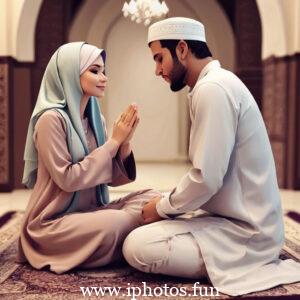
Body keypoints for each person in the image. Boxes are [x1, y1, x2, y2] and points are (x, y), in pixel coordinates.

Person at [122, 17, 300, 296]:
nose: (157, 70)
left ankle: (243, 263)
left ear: (182, 49)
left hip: (248, 234)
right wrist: (166, 204)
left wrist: (161, 208)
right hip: (226, 219)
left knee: (138, 247)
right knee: (148, 206)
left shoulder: (213, 89)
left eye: (159, 59)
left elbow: (206, 178)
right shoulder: (212, 85)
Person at [17, 42, 160, 274]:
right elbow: (68, 179)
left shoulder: (96, 120)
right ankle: (128, 237)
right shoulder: (50, 120)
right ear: (70, 73)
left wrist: (124, 142)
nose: (103, 77)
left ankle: (121, 239)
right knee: (116, 222)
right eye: (94, 71)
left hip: (91, 212)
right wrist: (113, 142)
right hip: (54, 223)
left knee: (152, 198)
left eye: (103, 71)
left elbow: (111, 179)